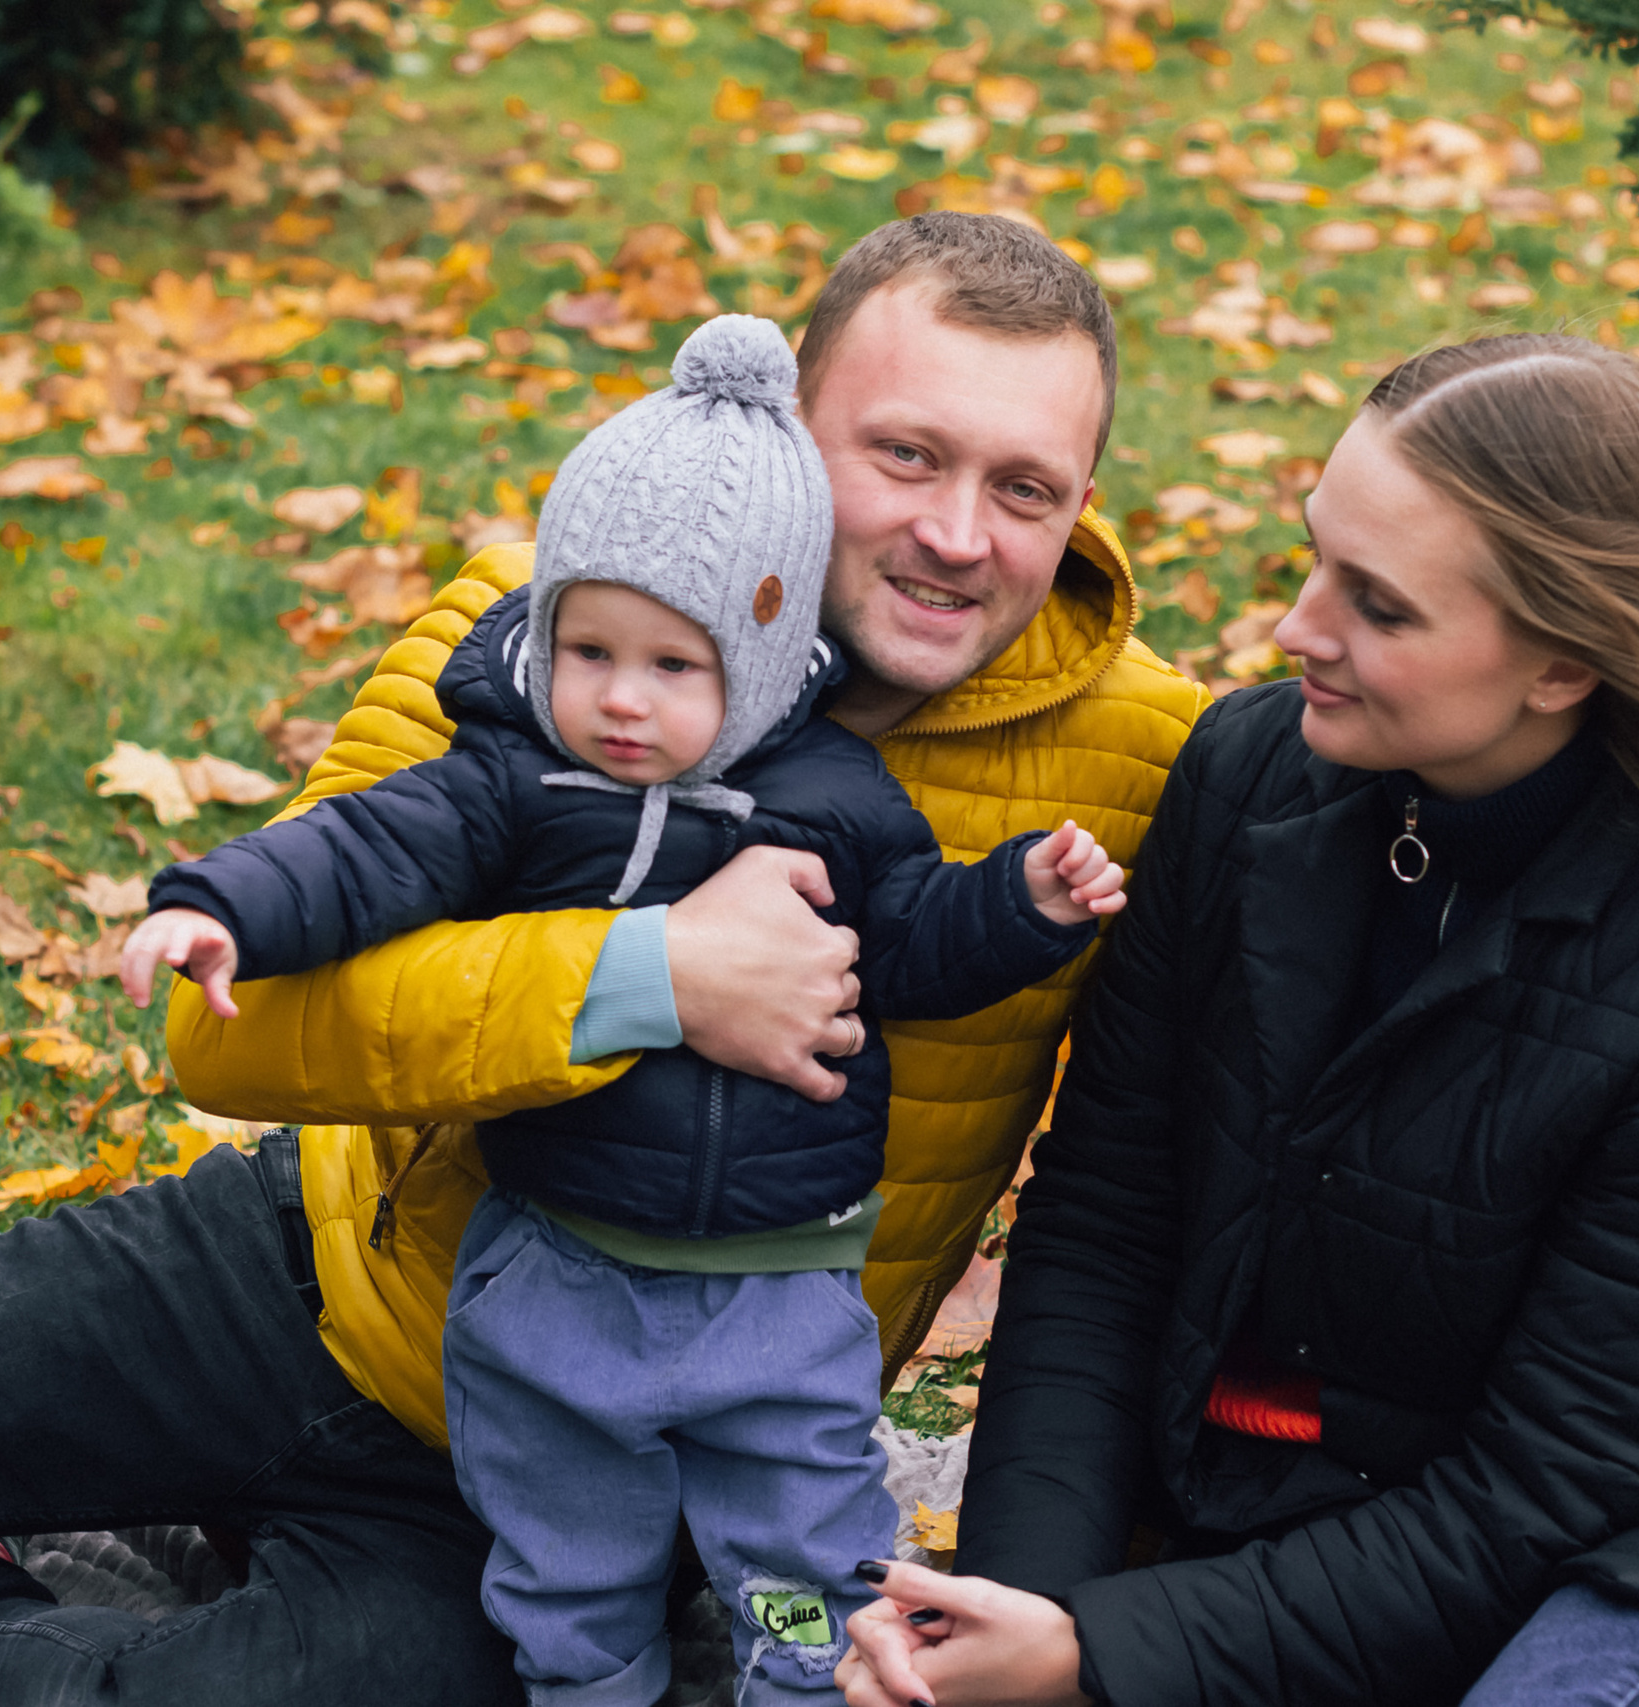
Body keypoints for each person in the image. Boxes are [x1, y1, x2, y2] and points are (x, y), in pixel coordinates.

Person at [0, 212, 1205, 1707]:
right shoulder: (534, 648)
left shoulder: (1152, 762)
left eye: (1025, 488)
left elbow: (1132, 1203)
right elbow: (229, 1043)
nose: (955, 535)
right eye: (907, 454)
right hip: (302, 1277)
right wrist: (642, 976)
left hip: (562, 1457)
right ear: (789, 431)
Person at [835, 335, 1639, 1707]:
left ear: (1559, 664)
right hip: (1289, 1517)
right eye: (1317, 556)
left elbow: (1542, 1495)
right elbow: (1104, 1222)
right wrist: (1022, 1612)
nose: (1297, 628)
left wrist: (1096, 1660)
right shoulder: (1250, 775)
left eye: (1377, 604)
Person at [122, 314, 1125, 1707]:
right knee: (564, 1564)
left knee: (798, 1568)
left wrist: (1023, 897)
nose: (621, 703)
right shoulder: (516, 777)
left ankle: (789, 1676)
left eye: (674, 667)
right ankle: (592, 1684)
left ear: (765, 664)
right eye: (588, 652)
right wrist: (215, 901)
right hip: (554, 1281)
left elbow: (911, 939)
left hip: (778, 1298)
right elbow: (363, 850)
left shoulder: (835, 801)